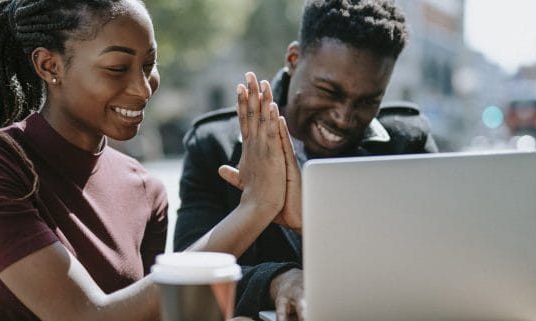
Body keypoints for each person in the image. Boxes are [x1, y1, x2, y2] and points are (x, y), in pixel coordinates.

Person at [0, 0, 290, 320]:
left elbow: (149, 311)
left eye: (149, 64)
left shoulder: (146, 189)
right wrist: (256, 206)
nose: (143, 88)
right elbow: (83, 316)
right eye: (118, 67)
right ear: (49, 65)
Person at [174, 0, 438, 320]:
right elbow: (188, 273)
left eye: (368, 101)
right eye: (329, 91)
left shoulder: (407, 144)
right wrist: (275, 281)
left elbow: (427, 267)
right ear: (294, 59)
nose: (343, 117)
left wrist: (311, 223)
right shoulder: (214, 145)